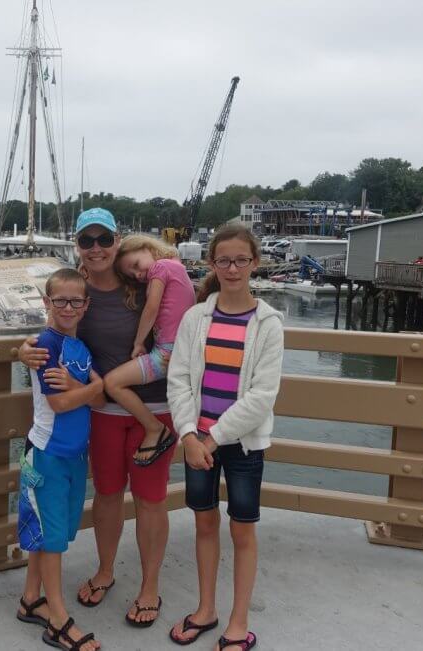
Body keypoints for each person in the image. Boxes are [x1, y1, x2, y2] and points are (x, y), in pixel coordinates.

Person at [20, 207, 177, 629]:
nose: (95, 249)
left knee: (150, 499)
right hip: (103, 413)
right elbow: (55, 328)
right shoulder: (77, 291)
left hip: (155, 410)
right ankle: (106, 570)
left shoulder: (142, 284)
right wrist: (25, 348)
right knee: (107, 494)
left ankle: (149, 587)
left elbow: (182, 321)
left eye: (103, 240)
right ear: (77, 245)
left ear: (116, 240)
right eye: (86, 241)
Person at [167, 222, 284, 650]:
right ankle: (206, 608)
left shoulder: (268, 323)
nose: (232, 268)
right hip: (196, 441)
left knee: (242, 529)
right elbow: (178, 380)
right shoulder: (195, 318)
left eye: (240, 260)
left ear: (254, 262)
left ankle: (239, 620)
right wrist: (187, 434)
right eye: (223, 260)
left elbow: (262, 396)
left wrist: (210, 440)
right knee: (203, 523)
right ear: (211, 263)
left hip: (240, 446)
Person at [16, 267, 104, 651]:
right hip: (47, 455)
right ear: (46, 303)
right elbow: (61, 401)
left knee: (51, 532)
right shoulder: (45, 345)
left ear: (86, 306)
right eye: (60, 301)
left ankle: (30, 598)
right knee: (52, 541)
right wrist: (94, 386)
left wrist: (90, 387)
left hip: (74, 456)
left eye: (75, 301)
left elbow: (97, 399)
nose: (67, 307)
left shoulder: (79, 348)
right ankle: (58, 619)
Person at [103, 235, 195, 465]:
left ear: (147, 248)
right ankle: (156, 428)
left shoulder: (161, 267)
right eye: (132, 275)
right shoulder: (177, 265)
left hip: (167, 354)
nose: (138, 274)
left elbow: (152, 307)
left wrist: (138, 343)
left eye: (136, 265)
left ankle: (155, 429)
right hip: (179, 351)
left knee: (112, 383)